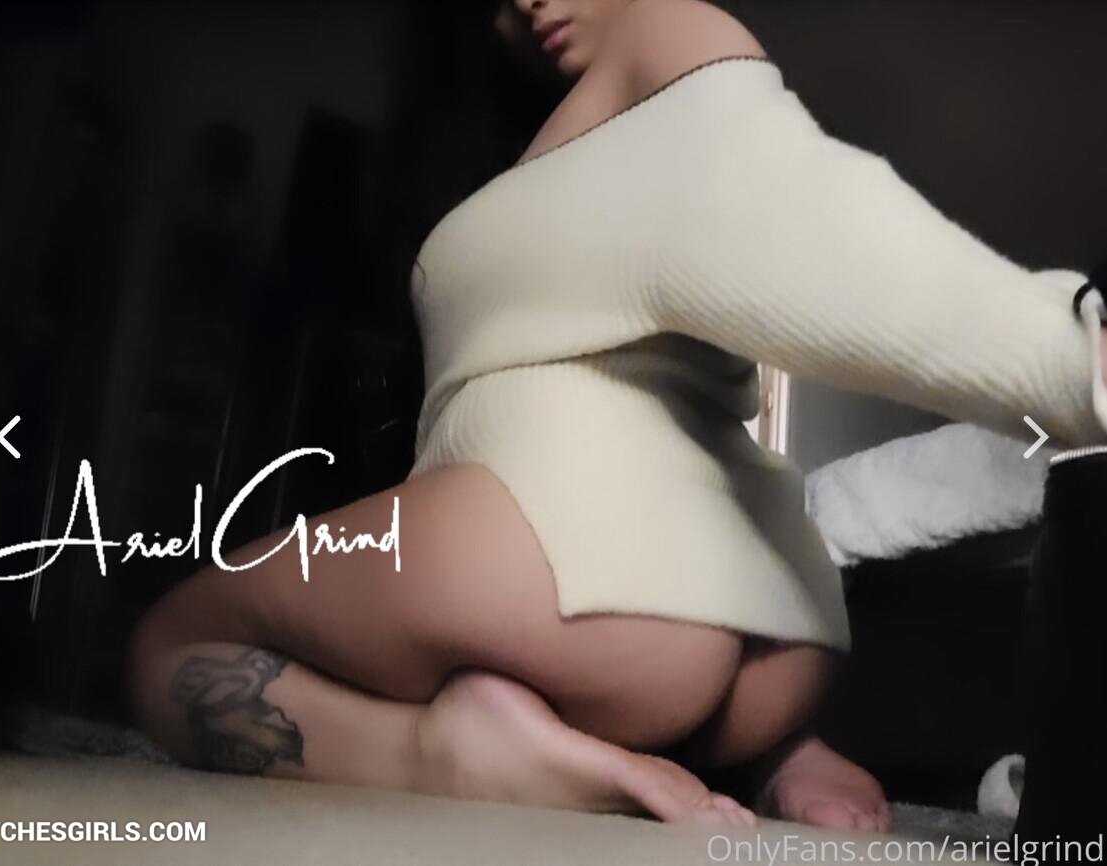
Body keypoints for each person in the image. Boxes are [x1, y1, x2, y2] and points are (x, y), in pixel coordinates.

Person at [127, 0, 1107, 833]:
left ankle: (448, 748)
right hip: (781, 637)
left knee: (174, 642)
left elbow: (811, 219)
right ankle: (762, 751)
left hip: (567, 579)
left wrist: (1069, 361)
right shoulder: (582, 126)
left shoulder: (662, 30)